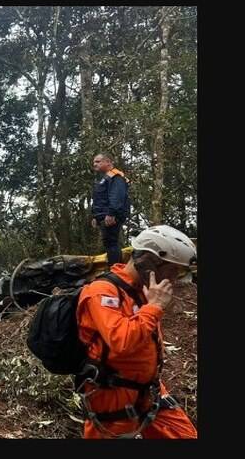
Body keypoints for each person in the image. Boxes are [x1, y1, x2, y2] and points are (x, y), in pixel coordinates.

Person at [76, 225, 197, 439]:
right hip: (112, 393)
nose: (174, 278)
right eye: (171, 270)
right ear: (150, 262)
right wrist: (154, 307)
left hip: (149, 390)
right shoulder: (101, 292)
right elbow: (121, 341)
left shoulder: (142, 290)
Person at [91, 153, 131, 265]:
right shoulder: (105, 178)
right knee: (108, 243)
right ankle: (114, 266)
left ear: (108, 162)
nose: (94, 164)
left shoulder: (116, 177)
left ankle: (115, 269)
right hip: (103, 215)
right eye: (94, 162)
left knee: (111, 243)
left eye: (98, 162)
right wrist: (95, 216)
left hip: (111, 216)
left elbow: (116, 196)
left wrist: (111, 213)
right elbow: (99, 198)